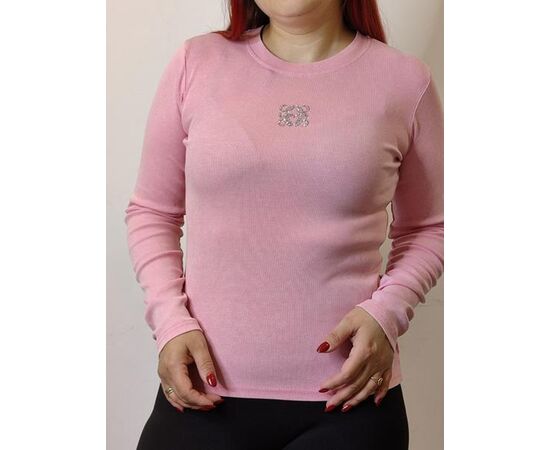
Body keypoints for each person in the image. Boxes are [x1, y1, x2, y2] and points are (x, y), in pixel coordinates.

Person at [124, 0, 443, 448]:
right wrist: (170, 322)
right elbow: (153, 212)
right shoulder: (195, 63)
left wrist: (387, 312)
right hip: (201, 392)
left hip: (349, 402)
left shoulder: (405, 81)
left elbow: (432, 226)